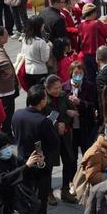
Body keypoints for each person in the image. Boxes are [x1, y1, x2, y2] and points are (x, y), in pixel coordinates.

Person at [11, 85, 60, 214]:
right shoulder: (43, 121)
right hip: (40, 165)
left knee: (25, 197)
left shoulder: (17, 114)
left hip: (23, 163)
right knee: (40, 201)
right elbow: (54, 144)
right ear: (42, 101)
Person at [0, 131, 45, 214]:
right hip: (8, 210)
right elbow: (3, 180)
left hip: (23, 203)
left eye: (7, 145)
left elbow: (27, 171)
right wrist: (26, 166)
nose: (7, 149)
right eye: (3, 147)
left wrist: (39, 163)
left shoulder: (12, 158)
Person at [42, 74, 77, 204]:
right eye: (54, 88)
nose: (58, 90)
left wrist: (64, 121)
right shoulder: (43, 99)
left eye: (59, 87)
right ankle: (48, 192)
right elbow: (43, 118)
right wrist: (57, 124)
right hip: (51, 137)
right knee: (49, 165)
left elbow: (71, 110)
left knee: (69, 161)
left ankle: (65, 190)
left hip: (65, 136)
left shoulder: (62, 95)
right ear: (47, 88)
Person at [63, 61, 97, 156]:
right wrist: (67, 111)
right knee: (71, 158)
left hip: (85, 127)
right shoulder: (64, 87)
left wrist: (80, 102)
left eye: (80, 73)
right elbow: (60, 107)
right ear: (71, 73)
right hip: (71, 128)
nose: (78, 75)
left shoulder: (89, 86)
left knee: (87, 155)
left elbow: (93, 104)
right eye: (76, 73)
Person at [78, 3, 107, 83]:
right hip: (97, 55)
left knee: (90, 78)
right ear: (93, 13)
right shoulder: (97, 23)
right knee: (101, 77)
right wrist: (106, 23)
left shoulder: (80, 25)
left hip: (85, 55)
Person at [21, 15, 52, 88]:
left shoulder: (25, 39)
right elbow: (45, 59)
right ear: (39, 27)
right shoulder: (41, 42)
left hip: (28, 70)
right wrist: (49, 46)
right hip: (40, 72)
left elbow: (23, 53)